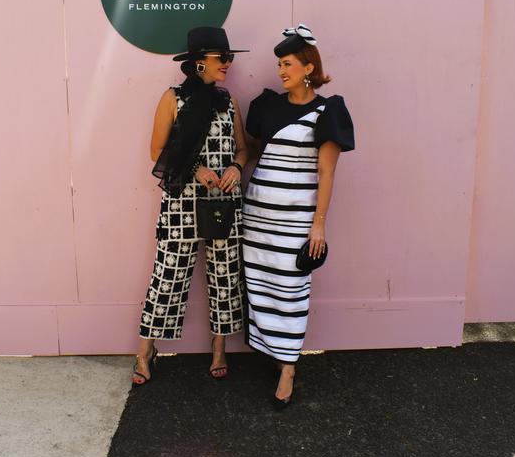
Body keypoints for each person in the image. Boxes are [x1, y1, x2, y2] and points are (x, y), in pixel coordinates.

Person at [243, 24, 355, 408]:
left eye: (287, 63)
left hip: (296, 221)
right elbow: (258, 152)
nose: (281, 71)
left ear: (309, 67)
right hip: (256, 218)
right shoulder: (267, 107)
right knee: (259, 286)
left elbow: (326, 173)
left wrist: (318, 224)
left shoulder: (329, 111)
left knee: (291, 291)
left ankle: (288, 365)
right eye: (279, 64)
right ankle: (273, 352)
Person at [133, 27, 250, 385]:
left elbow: (243, 149)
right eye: (222, 58)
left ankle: (219, 348)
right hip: (182, 203)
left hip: (223, 203)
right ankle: (145, 350)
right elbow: (157, 151)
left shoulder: (227, 101)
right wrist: (196, 169)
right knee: (167, 277)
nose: (228, 64)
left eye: (229, 58)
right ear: (200, 62)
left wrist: (235, 167)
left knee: (225, 277)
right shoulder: (173, 98)